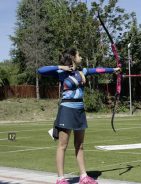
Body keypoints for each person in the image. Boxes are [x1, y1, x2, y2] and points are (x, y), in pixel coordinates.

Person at [38, 48, 120, 184]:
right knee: (62, 145)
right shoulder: (61, 73)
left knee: (80, 145)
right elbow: (41, 70)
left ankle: (83, 176)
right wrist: (62, 66)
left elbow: (98, 70)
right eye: (78, 55)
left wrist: (113, 69)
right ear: (72, 57)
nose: (80, 57)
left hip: (80, 110)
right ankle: (60, 178)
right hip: (67, 110)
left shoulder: (83, 72)